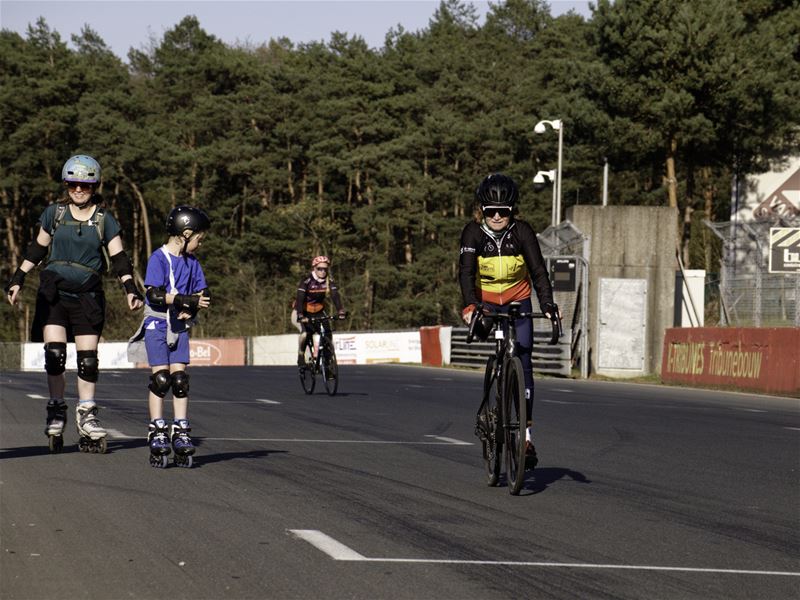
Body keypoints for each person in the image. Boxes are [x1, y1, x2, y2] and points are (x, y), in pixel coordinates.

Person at [4, 154, 144, 452]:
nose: (78, 190)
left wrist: (130, 288)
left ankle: (87, 414)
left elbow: (119, 258)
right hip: (53, 293)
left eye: (85, 185)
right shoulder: (54, 214)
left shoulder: (104, 220)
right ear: (66, 185)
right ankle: (56, 408)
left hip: (87, 295)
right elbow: (37, 248)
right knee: (54, 355)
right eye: (73, 185)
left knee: (88, 360)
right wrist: (17, 278)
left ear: (94, 187)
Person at [459, 173, 559, 468]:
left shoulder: (522, 232)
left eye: (505, 210)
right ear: (482, 211)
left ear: (513, 210)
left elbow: (539, 271)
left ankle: (526, 436)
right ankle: (492, 410)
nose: (499, 216)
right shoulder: (473, 233)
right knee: (492, 343)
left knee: (525, 358)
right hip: (487, 302)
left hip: (519, 299)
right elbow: (465, 274)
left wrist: (549, 305)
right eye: (492, 211)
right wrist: (469, 306)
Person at [128, 206, 211, 467]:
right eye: (198, 238)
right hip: (157, 323)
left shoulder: (192, 263)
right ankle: (157, 428)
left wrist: (192, 306)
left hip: (179, 325)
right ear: (185, 234)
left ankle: (181, 429)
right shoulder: (159, 258)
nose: (199, 243)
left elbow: (204, 294)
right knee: (161, 379)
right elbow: (152, 294)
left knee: (179, 380)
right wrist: (182, 299)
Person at [294, 255, 346, 367]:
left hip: (318, 311)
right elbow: (300, 299)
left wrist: (340, 311)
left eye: (325, 269)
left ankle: (327, 365)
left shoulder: (328, 281)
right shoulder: (307, 280)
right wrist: (300, 314)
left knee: (327, 335)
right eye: (319, 269)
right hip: (302, 310)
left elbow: (335, 296)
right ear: (314, 268)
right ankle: (301, 355)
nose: (322, 271)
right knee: (305, 333)